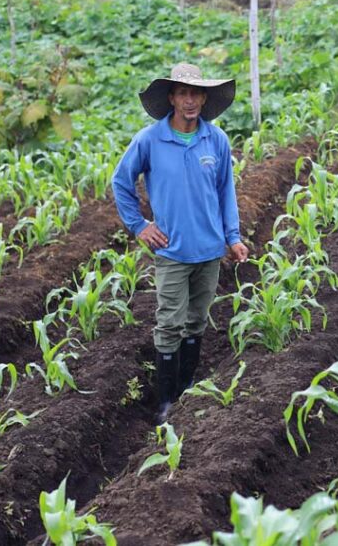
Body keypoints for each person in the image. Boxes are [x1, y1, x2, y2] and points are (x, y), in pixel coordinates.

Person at [112, 62, 249, 423]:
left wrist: (232, 238)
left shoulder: (215, 140)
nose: (190, 100)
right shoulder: (150, 140)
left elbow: (225, 192)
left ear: (204, 98)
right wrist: (139, 225)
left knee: (197, 321)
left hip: (209, 250)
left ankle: (187, 389)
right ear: (172, 97)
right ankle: (166, 401)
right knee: (170, 323)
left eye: (196, 93)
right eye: (183, 93)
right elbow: (121, 183)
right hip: (171, 251)